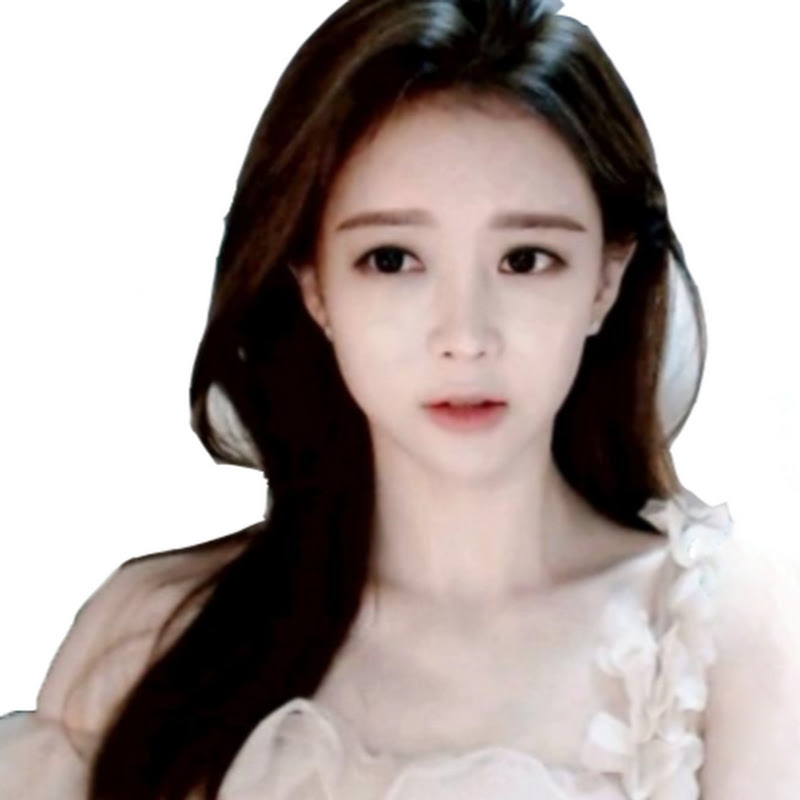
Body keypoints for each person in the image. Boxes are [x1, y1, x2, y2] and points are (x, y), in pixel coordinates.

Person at [1, 0, 799, 798]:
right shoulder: (148, 638)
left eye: (526, 259)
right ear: (313, 284)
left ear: (606, 279)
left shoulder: (724, 641)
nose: (465, 336)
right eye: (392, 259)